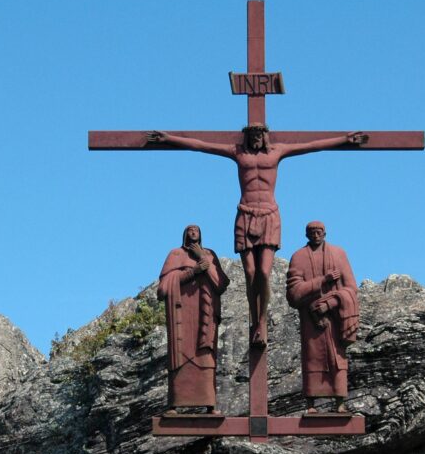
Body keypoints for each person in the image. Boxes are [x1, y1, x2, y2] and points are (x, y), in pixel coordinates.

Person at [147, 126, 366, 348]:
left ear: (265, 136)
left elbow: (311, 146)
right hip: (245, 213)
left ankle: (261, 321)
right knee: (250, 273)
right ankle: (255, 320)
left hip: (269, 215)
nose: (256, 139)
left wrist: (344, 139)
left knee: (263, 272)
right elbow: (203, 146)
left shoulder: (277, 152)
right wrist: (170, 138)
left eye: (259, 136)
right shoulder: (238, 152)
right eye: (252, 136)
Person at [285, 221, 359, 414]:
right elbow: (293, 294)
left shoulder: (339, 254)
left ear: (325, 233)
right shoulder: (298, 257)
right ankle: (311, 403)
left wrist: (331, 302)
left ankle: (340, 402)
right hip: (311, 319)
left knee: (337, 358)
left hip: (335, 317)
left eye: (319, 232)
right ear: (306, 235)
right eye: (312, 232)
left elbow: (351, 288)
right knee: (313, 358)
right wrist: (323, 281)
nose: (316, 235)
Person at [157, 225, 230, 414]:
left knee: (205, 357)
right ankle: (175, 405)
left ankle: (209, 404)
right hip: (181, 316)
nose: (193, 232)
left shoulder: (209, 254)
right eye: (189, 229)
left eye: (196, 229)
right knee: (180, 357)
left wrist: (203, 259)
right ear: (184, 234)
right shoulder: (175, 254)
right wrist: (193, 271)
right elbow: (163, 289)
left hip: (203, 317)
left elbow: (221, 284)